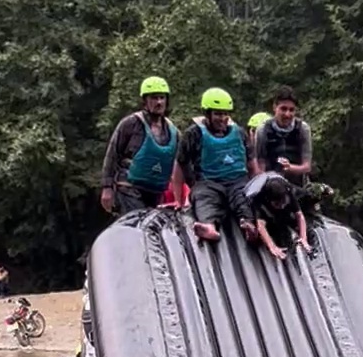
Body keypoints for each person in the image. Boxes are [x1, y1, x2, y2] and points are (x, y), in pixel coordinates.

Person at [172, 88, 254, 242]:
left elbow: (252, 164)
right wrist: (178, 199)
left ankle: (249, 225)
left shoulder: (239, 133)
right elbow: (180, 165)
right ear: (207, 114)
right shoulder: (193, 134)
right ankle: (208, 226)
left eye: (225, 114)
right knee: (202, 196)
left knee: (245, 196)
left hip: (237, 182)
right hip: (208, 183)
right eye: (217, 114)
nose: (222, 118)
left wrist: (258, 186)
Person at [100, 76, 179, 217]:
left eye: (162, 98)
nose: (159, 102)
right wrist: (107, 187)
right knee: (137, 222)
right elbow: (112, 154)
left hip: (155, 191)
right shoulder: (130, 124)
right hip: (129, 187)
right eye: (154, 98)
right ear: (145, 101)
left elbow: (184, 163)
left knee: (151, 227)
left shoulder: (173, 131)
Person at [241, 170, 308, 261]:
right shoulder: (259, 198)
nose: (281, 206)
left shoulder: (288, 191)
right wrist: (272, 247)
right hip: (251, 192)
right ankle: (249, 225)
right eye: (277, 204)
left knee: (305, 196)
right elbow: (261, 226)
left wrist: (303, 238)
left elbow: (299, 215)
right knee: (251, 219)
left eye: (283, 203)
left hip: (276, 180)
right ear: (269, 200)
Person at [254, 89, 312, 182]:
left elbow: (307, 167)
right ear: (274, 107)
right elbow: (260, 164)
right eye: (283, 109)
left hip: (297, 183)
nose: (287, 114)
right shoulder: (263, 130)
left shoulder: (303, 129)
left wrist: (290, 167)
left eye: (291, 110)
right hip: (270, 181)